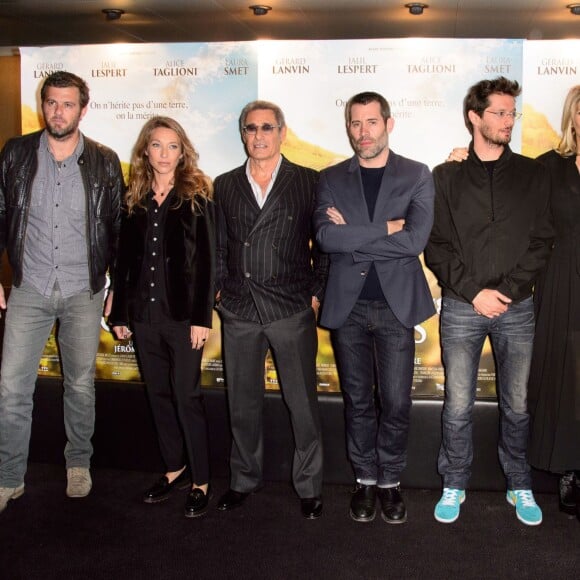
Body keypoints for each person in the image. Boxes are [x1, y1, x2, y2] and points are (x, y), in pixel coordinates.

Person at [424, 76, 554, 527]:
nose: (507, 121)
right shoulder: (446, 176)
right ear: (473, 117)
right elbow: (436, 245)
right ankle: (454, 481)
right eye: (498, 112)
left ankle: (519, 482)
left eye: (511, 113)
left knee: (516, 404)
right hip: (461, 306)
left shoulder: (533, 174)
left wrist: (510, 291)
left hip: (518, 308)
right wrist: (475, 292)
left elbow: (542, 241)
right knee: (457, 403)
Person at [0, 71, 123, 513]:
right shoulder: (15, 154)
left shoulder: (105, 162)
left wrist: (116, 290)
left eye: (68, 104)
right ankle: (9, 477)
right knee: (12, 388)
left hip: (82, 291)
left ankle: (78, 464)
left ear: (83, 109)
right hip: (29, 288)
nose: (59, 111)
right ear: (43, 105)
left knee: (80, 385)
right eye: (52, 102)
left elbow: (119, 231)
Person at [313, 91, 435, 524]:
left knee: (397, 402)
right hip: (348, 308)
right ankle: (366, 480)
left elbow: (415, 242)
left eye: (371, 122)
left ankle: (390, 481)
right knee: (358, 400)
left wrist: (358, 240)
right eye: (355, 123)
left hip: (395, 307)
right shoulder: (330, 178)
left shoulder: (417, 174)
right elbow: (328, 240)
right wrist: (385, 229)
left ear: (388, 123)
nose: (362, 132)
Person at [214, 100, 327, 519]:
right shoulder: (224, 184)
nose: (258, 135)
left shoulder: (308, 181)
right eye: (250, 128)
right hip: (240, 309)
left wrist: (315, 293)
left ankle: (310, 486)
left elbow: (326, 244)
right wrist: (219, 295)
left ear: (282, 132)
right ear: (242, 133)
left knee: (302, 404)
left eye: (266, 127)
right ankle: (243, 480)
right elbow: (217, 246)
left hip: (290, 307)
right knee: (241, 404)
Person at [109, 116, 215, 518]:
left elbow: (206, 260)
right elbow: (124, 260)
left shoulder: (197, 195)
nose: (165, 154)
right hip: (143, 316)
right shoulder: (133, 196)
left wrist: (201, 317)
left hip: (183, 317)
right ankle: (174, 469)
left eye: (173, 146)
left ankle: (201, 480)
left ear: (182, 151)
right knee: (158, 395)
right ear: (145, 151)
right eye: (157, 145)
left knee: (186, 396)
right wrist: (121, 311)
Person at [526, 86, 580, 520]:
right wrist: (462, 161)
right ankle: (569, 469)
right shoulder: (548, 168)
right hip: (562, 284)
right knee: (565, 378)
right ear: (572, 118)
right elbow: (504, 191)